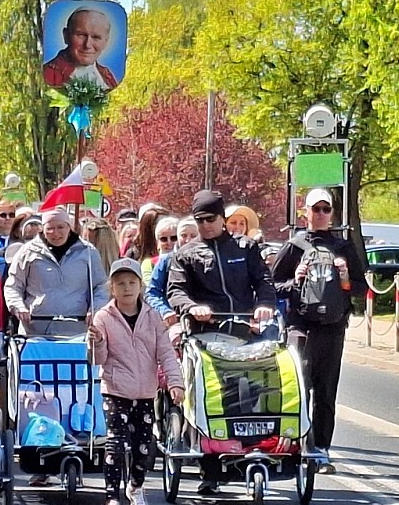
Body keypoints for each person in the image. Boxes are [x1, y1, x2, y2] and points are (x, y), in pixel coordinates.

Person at [167, 190, 276, 495]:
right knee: (209, 396)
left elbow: (264, 282)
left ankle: (250, 451)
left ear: (223, 219)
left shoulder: (246, 247)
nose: (205, 226)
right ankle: (210, 469)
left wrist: (264, 304)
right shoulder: (186, 253)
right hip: (203, 337)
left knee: (249, 393)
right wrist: (191, 307)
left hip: (242, 333)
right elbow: (175, 291)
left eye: (210, 219)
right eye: (199, 220)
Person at [271, 188, 367, 473]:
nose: (321, 214)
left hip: (333, 329)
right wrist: (294, 280)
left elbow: (363, 289)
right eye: (316, 209)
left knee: (326, 391)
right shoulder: (294, 246)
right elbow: (271, 285)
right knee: (300, 388)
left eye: (326, 210)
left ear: (333, 214)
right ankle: (298, 444)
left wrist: (346, 278)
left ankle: (321, 450)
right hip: (300, 326)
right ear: (306, 212)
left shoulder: (345, 248)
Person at [88, 258, 184, 505]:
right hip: (115, 389)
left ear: (141, 285)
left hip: (144, 392)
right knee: (115, 443)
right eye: (120, 284)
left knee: (144, 446)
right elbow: (97, 359)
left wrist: (176, 383)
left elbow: (165, 353)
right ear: (112, 288)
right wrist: (96, 341)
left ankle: (136, 485)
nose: (127, 288)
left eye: (132, 282)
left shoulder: (153, 317)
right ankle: (112, 494)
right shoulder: (103, 317)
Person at [4, 208, 109, 336]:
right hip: (36, 331)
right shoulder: (27, 252)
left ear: (69, 228)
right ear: (42, 229)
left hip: (77, 332)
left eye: (60, 227)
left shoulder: (88, 252)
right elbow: (13, 285)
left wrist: (95, 308)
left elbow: (101, 286)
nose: (56, 233)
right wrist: (18, 307)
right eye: (50, 228)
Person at [43, 7, 118, 90]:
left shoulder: (107, 76)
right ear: (66, 36)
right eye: (81, 35)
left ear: (106, 41)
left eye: (96, 37)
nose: (87, 45)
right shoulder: (47, 74)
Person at [145, 217, 197, 326]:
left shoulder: (210, 259)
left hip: (204, 320)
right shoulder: (166, 260)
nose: (188, 240)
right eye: (183, 235)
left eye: (193, 236)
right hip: (174, 321)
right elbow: (152, 293)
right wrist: (165, 311)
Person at [141, 216, 178, 287]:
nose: (169, 242)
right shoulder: (149, 264)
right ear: (157, 243)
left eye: (174, 238)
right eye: (163, 239)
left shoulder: (187, 261)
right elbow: (150, 286)